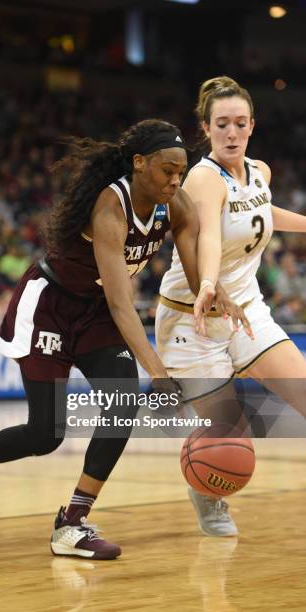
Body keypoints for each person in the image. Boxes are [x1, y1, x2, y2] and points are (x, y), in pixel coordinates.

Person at [0, 119, 227, 560]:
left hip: (94, 312)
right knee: (47, 433)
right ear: (139, 164)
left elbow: (193, 253)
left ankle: (72, 523)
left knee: (121, 404)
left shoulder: (176, 203)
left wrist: (210, 289)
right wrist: (157, 372)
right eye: (166, 171)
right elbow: (122, 304)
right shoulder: (109, 209)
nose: (176, 180)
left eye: (181, 171)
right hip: (50, 308)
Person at [156, 76, 306, 538]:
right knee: (227, 434)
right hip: (192, 318)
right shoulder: (203, 178)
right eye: (222, 124)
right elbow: (211, 236)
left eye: (240, 123)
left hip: (247, 312)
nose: (232, 132)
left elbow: (264, 215)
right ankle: (207, 493)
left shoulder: (258, 171)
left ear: (252, 126)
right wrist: (207, 283)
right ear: (206, 128)